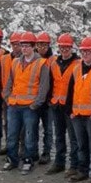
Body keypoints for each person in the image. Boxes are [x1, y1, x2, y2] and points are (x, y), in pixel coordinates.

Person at [2, 32, 50, 175]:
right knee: (12, 134)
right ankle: (12, 159)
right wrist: (7, 97)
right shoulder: (15, 62)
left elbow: (44, 87)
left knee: (30, 135)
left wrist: (36, 104)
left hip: (30, 106)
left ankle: (28, 160)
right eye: (22, 45)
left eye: (27, 46)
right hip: (14, 105)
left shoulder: (42, 63)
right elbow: (10, 82)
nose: (24, 48)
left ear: (33, 47)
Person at [69, 37, 91, 183]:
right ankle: (83, 171)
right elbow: (71, 91)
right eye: (83, 51)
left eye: (88, 51)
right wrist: (70, 110)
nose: (85, 54)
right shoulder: (76, 69)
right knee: (81, 144)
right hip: (77, 114)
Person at [46, 33, 81, 177]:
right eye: (62, 47)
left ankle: (74, 165)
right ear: (59, 48)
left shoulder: (77, 64)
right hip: (56, 104)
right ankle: (59, 163)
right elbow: (50, 82)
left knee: (74, 137)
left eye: (67, 47)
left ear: (71, 48)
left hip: (70, 106)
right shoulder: (53, 63)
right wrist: (50, 99)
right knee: (59, 135)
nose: (64, 50)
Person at [0, 31, 22, 156]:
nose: (16, 47)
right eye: (14, 44)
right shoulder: (4, 59)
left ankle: (22, 148)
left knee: (22, 126)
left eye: (18, 44)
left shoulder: (27, 59)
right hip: (6, 97)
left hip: (21, 98)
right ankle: (9, 145)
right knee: (7, 123)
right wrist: (2, 94)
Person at [35, 31, 55, 165]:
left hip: (48, 102)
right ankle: (33, 151)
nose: (42, 48)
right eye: (39, 45)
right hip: (35, 100)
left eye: (44, 45)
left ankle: (46, 152)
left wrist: (49, 98)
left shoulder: (53, 60)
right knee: (33, 127)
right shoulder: (33, 59)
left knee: (48, 129)